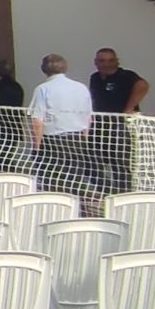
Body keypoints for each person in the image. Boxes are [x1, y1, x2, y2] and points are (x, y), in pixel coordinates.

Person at [29, 55, 97, 201]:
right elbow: (88, 117)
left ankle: (58, 209)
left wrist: (36, 147)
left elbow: (37, 121)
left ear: (43, 69)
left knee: (53, 181)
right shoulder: (81, 88)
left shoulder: (42, 89)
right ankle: (78, 209)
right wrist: (84, 141)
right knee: (75, 180)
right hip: (77, 140)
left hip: (52, 141)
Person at [88, 47, 148, 195]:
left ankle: (123, 196)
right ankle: (105, 194)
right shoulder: (95, 78)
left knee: (120, 164)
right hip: (98, 127)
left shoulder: (125, 76)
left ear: (117, 61)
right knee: (93, 163)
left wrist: (128, 109)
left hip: (119, 127)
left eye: (110, 60)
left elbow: (143, 85)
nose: (106, 64)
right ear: (96, 62)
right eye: (102, 61)